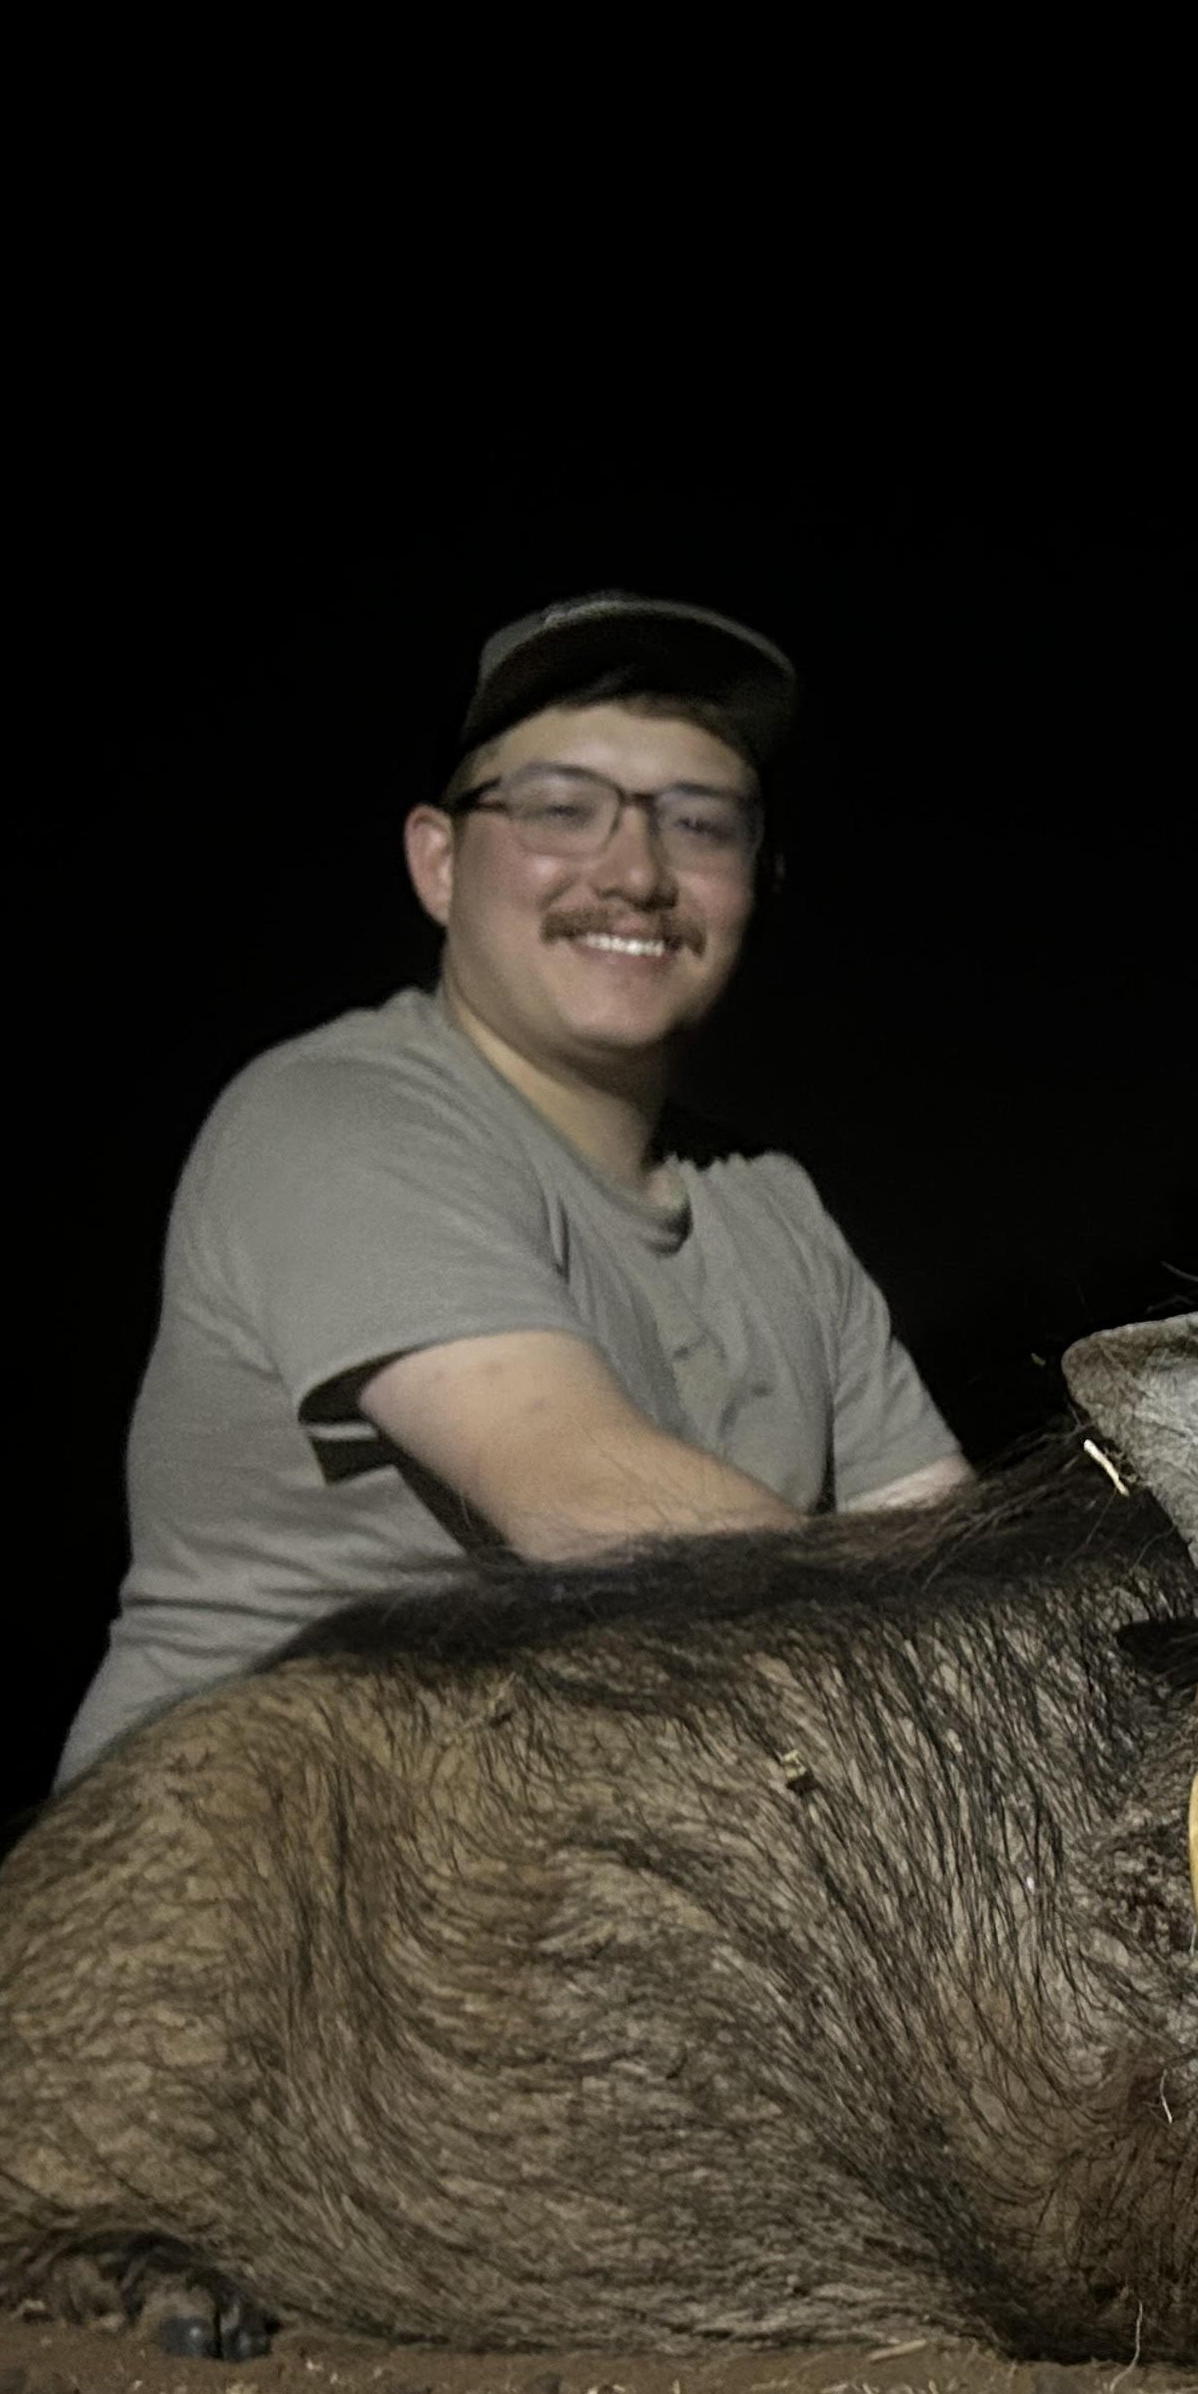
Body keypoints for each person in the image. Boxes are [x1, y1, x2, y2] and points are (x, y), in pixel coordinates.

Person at [56, 592, 971, 1785]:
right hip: (240, 1849)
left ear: (761, 877)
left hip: (579, 1828)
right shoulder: (334, 1116)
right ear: (438, 860)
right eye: (560, 808)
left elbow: (939, 1542)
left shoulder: (773, 1203)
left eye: (700, 823)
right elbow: (580, 1500)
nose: (636, 871)